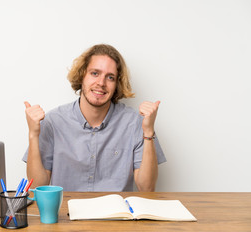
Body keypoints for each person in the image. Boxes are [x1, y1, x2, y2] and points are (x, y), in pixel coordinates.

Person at [22, 44, 166, 192]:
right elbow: (36, 188)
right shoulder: (53, 121)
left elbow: (147, 188)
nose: (101, 83)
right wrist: (33, 134)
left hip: (115, 213)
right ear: (82, 75)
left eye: (110, 77)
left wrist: (148, 132)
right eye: (95, 73)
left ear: (117, 84)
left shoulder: (135, 123)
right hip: (67, 212)